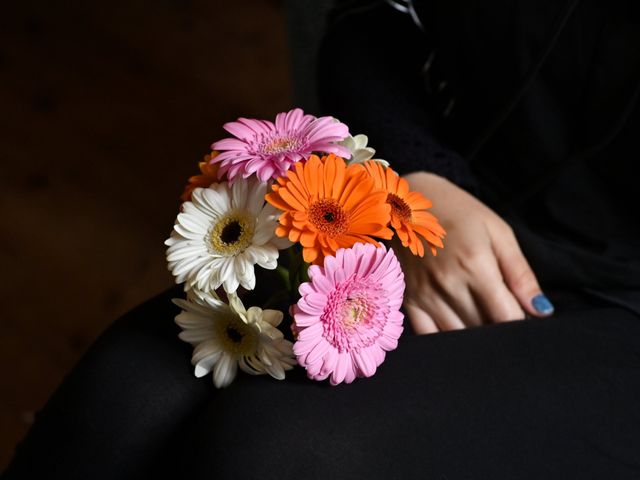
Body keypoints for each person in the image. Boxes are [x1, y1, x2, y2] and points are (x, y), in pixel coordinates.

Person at [3, 1, 639, 478]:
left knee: (271, 453)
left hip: (619, 305)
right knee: (123, 391)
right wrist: (420, 181)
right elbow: (373, 17)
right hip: (432, 208)